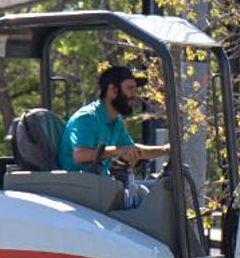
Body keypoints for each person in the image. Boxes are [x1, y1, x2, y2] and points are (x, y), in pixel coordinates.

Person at [58, 66, 170, 204]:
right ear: (112, 90)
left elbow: (132, 150)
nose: (134, 95)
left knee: (153, 195)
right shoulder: (87, 118)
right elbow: (80, 155)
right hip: (74, 192)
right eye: (129, 88)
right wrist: (119, 151)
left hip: (97, 188)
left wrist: (166, 149)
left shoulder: (116, 121)